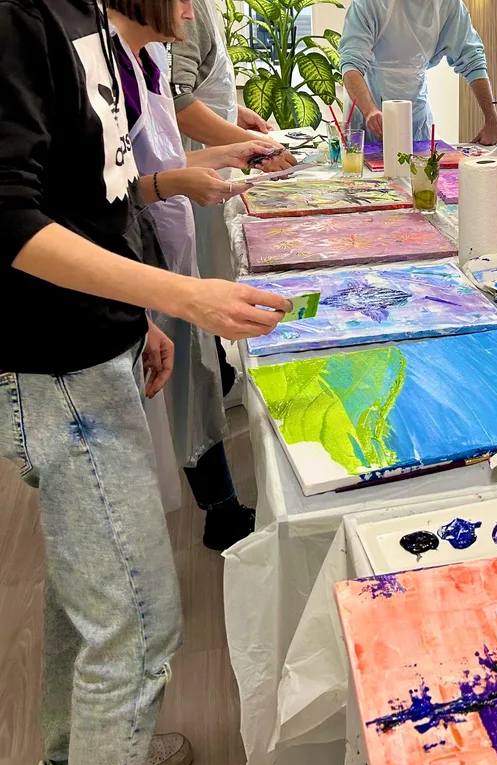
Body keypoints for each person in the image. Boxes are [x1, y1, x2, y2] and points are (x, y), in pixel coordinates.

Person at [0, 0, 290, 765]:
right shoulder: (23, 17)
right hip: (54, 365)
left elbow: (94, 192)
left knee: (80, 596)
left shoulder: (86, 18)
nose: (190, 9)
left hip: (96, 344)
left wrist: (139, 315)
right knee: (136, 628)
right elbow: (12, 221)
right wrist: (182, 297)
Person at [109, 0, 281, 551]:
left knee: (197, 375)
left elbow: (162, 155)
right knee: (183, 383)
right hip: (141, 248)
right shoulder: (106, 66)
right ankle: (219, 510)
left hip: (166, 234)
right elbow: (118, 190)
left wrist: (231, 150)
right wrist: (180, 183)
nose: (191, 14)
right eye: (183, 2)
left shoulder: (146, 57)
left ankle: (219, 504)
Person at [170, 0, 296, 284]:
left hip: (208, 162)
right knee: (198, 277)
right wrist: (258, 146)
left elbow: (192, 83)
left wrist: (230, 110)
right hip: (187, 169)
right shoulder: (187, 8)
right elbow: (176, 100)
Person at [340, 0, 497, 145]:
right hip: (369, 106)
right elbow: (351, 64)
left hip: (417, 110)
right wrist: (369, 110)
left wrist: (492, 120)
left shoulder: (449, 5)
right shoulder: (371, 4)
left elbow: (472, 60)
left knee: (421, 172)